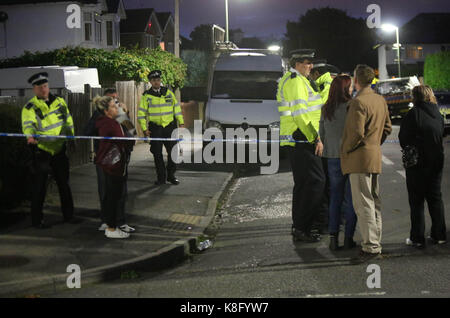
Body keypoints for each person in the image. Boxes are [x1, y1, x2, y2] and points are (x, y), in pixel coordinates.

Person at [341, 64, 392, 262]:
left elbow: (356, 134)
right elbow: (387, 128)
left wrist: (345, 149)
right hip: (374, 156)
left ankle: (370, 247)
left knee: (363, 205)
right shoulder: (380, 100)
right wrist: (374, 143)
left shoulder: (358, 102)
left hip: (359, 159)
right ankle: (375, 243)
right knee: (374, 202)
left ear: (356, 80)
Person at [276, 49, 327, 243]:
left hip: (297, 139)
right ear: (297, 63)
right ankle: (303, 227)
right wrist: (315, 138)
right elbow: (300, 115)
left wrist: (327, 84)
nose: (311, 66)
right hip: (302, 138)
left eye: (311, 62)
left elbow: (317, 102)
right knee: (316, 182)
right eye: (307, 62)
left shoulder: (296, 80)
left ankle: (299, 226)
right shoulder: (296, 82)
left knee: (304, 184)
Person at [22, 72, 76, 229]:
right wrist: (30, 136)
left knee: (64, 185)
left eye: (45, 86)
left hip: (59, 150)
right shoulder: (30, 107)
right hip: (42, 151)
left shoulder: (59, 102)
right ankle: (37, 221)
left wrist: (71, 138)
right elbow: (28, 124)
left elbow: (68, 120)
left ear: (48, 86)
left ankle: (69, 216)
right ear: (34, 89)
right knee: (39, 187)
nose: (43, 89)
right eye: (39, 87)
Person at [399, 85, 446, 248]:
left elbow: (403, 138)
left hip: (417, 163)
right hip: (436, 161)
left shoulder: (413, 114)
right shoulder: (437, 114)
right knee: (435, 198)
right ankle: (439, 235)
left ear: (415, 97)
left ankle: (417, 238)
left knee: (417, 201)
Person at [83, 88, 135, 233]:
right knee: (105, 191)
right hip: (105, 160)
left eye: (116, 100)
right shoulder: (98, 118)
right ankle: (106, 221)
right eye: (111, 101)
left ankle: (120, 221)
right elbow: (87, 132)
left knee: (121, 192)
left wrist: (124, 116)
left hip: (121, 159)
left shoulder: (121, 115)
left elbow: (132, 133)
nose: (115, 104)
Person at [319, 75, 357, 250]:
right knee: (351, 199)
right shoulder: (351, 106)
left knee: (335, 197)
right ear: (345, 88)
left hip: (332, 156)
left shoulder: (326, 108)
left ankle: (333, 238)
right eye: (350, 86)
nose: (352, 89)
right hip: (350, 156)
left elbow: (322, 133)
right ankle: (349, 237)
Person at [138, 70, 184, 185]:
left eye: (158, 80)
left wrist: (181, 122)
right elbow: (141, 114)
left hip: (170, 126)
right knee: (157, 154)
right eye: (154, 80)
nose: (156, 82)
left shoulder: (168, 93)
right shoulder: (146, 96)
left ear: (160, 81)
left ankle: (171, 176)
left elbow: (176, 109)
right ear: (150, 82)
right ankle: (161, 178)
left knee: (173, 152)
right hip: (155, 128)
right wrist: (144, 129)